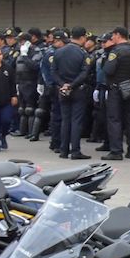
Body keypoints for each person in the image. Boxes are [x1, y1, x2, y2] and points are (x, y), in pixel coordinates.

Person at [52, 27, 93, 159]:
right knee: (76, 121)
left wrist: (62, 85)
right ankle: (75, 150)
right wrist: (72, 85)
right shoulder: (83, 53)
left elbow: (53, 71)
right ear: (82, 38)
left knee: (65, 120)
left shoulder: (58, 52)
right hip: (77, 90)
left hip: (63, 90)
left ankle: (63, 150)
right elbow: (84, 72)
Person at [100, 27, 130, 160]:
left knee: (114, 119)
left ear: (118, 35)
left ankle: (116, 151)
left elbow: (109, 70)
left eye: (113, 36)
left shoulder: (116, 51)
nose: (112, 38)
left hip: (116, 89)